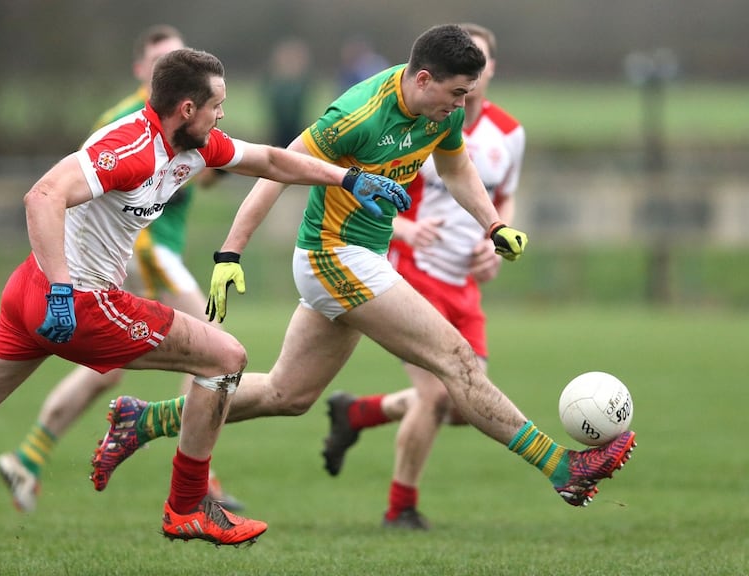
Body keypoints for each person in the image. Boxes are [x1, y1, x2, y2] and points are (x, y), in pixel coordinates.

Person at [0, 47, 412, 575]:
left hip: (31, 293)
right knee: (227, 357)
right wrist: (63, 288)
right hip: (74, 299)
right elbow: (43, 196)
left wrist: (347, 180)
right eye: (217, 104)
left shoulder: (197, 146)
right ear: (187, 108)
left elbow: (272, 160)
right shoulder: (133, 147)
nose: (224, 114)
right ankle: (187, 506)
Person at [88, 24, 636, 519]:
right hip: (333, 255)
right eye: (457, 94)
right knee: (457, 359)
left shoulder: (439, 113)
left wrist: (493, 225)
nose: (464, 105)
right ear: (424, 80)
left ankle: (144, 419)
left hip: (360, 259)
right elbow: (276, 170)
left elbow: (456, 166)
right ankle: (564, 470)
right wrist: (230, 254)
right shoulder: (357, 115)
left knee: (289, 394)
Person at [0, 24, 243, 515]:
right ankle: (199, 476)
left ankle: (29, 458)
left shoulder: (191, 122)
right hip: (143, 253)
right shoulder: (124, 120)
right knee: (212, 350)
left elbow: (207, 176)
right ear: (143, 72)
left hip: (142, 254)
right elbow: (83, 188)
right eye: (161, 59)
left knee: (105, 371)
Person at [320, 23, 528, 530]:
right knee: (438, 396)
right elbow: (382, 191)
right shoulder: (420, 121)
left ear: (489, 70)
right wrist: (407, 231)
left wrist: (494, 244)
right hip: (412, 271)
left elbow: (501, 197)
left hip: (465, 283)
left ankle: (360, 412)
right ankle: (400, 508)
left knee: (464, 404)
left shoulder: (509, 133)